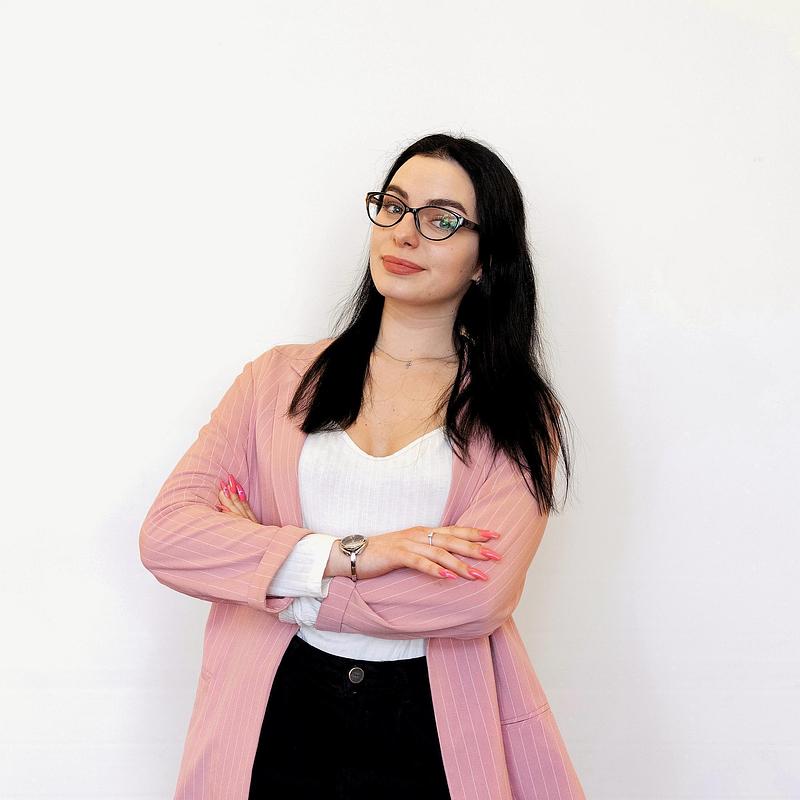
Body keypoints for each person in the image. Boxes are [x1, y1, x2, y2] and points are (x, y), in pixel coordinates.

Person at [139, 132, 585, 799]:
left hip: (429, 723)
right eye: (394, 207)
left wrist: (276, 575)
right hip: (273, 711)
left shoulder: (516, 412)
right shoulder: (275, 381)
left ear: (486, 260)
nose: (405, 233)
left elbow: (474, 597)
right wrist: (355, 554)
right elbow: (169, 538)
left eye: (440, 220)